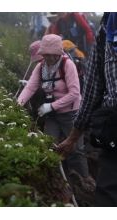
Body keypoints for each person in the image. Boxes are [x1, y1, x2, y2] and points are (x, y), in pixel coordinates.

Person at [57, 13, 117, 207]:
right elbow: (93, 88)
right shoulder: (107, 28)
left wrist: (73, 136)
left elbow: (86, 90)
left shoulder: (72, 62)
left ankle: (84, 175)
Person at [17, 34, 92, 190]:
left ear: (58, 52)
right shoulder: (41, 67)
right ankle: (57, 179)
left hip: (71, 113)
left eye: (53, 54)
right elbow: (30, 87)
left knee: (76, 149)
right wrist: (17, 104)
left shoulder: (67, 65)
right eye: (46, 54)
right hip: (52, 115)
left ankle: (84, 181)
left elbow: (74, 94)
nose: (49, 58)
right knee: (49, 144)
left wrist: (51, 106)